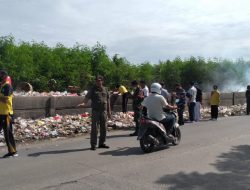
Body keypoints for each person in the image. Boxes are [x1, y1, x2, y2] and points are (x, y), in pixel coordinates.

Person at [78, 75, 111, 150]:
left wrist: (109, 112)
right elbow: (86, 98)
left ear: (102, 81)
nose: (98, 82)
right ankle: (93, 144)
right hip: (96, 111)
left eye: (99, 80)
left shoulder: (105, 89)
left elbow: (108, 101)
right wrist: (83, 103)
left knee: (104, 128)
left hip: (104, 111)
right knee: (95, 128)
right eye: (97, 80)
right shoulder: (93, 89)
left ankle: (102, 143)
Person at [0, 70, 18, 158]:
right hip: (1, 113)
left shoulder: (7, 86)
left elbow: (6, 100)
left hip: (6, 114)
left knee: (8, 133)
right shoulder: (2, 86)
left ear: (4, 76)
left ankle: (13, 152)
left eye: (1, 75)